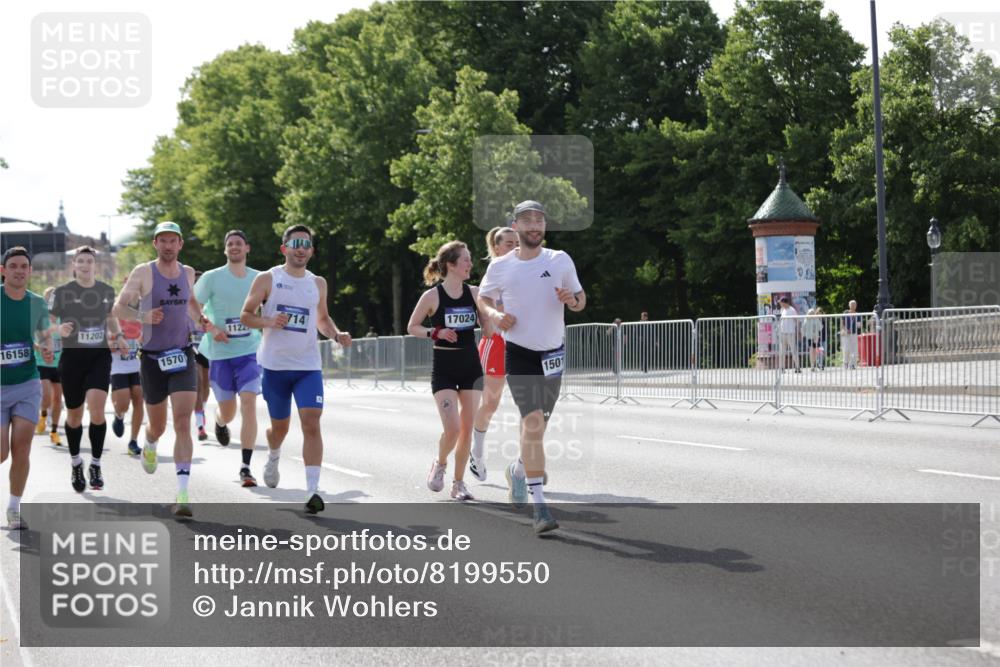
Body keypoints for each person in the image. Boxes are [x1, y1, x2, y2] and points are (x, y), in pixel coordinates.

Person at [478, 200, 586, 535]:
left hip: (553, 354)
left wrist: (572, 300)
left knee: (539, 427)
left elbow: (581, 300)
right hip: (520, 353)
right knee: (534, 424)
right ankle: (540, 509)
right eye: (527, 221)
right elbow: (483, 298)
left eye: (539, 220)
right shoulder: (501, 266)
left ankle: (518, 470)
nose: (534, 226)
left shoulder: (560, 259)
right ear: (516, 226)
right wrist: (495, 315)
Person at [240, 225, 352, 514]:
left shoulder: (318, 283)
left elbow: (322, 319)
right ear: (284, 249)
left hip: (307, 366)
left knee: (312, 422)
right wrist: (268, 321)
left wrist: (336, 334)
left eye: (306, 244)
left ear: (312, 251)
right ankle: (273, 454)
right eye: (295, 244)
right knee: (280, 428)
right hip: (275, 367)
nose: (301, 249)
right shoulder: (268, 279)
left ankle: (312, 490)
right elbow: (246, 315)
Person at [113, 221, 221, 518]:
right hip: (151, 358)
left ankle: (182, 493)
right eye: (163, 240)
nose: (168, 245)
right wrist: (143, 315)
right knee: (158, 426)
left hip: (182, 354)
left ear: (180, 244)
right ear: (155, 244)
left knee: (183, 421)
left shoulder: (187, 273)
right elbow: (118, 308)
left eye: (173, 240)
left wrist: (202, 320)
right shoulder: (143, 272)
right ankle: (150, 441)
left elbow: (191, 302)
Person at [407, 241, 485, 501]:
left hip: (471, 367)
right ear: (451, 264)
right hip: (444, 370)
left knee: (467, 429)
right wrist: (435, 332)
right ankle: (440, 463)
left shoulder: (475, 293)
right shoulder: (432, 296)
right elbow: (412, 327)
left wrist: (490, 316)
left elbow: (489, 328)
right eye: (465, 259)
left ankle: (458, 484)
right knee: (452, 429)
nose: (470, 264)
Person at [50, 247, 128, 492]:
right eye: (81, 261)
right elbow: (49, 320)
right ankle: (76, 462)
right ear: (74, 265)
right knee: (74, 416)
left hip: (99, 357)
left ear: (96, 265)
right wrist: (58, 329)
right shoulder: (62, 292)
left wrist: (118, 335)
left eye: (89, 261)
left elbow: (111, 317)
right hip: (72, 359)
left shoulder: (106, 290)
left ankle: (95, 464)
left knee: (96, 409)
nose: (85, 265)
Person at [194, 229, 262, 487]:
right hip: (220, 354)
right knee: (229, 412)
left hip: (249, 351)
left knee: (249, 403)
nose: (234, 247)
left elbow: (273, 306)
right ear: (225, 250)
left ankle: (246, 467)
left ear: (247, 248)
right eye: (230, 244)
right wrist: (211, 329)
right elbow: (193, 307)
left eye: (238, 243)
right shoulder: (211, 278)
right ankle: (220, 421)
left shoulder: (259, 278)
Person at [1, 247, 54, 529]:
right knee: (1, 452)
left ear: (30, 271)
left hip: (27, 382)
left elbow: (45, 335)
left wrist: (46, 348)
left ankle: (13, 508)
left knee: (22, 446)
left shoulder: (37, 303)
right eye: (13, 266)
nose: (19, 271)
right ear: (3, 270)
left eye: (24, 266)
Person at [469, 226, 518, 482]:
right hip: (498, 342)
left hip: (524, 343)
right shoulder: (495, 270)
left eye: (517, 242)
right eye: (509, 243)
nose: (515, 247)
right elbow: (487, 304)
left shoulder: (529, 268)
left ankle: (526, 463)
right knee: (490, 403)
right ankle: (476, 452)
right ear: (497, 248)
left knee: (530, 403)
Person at [110, 318, 144, 456]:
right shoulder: (113, 321)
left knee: (139, 399)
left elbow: (144, 340)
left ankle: (133, 441)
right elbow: (108, 345)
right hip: (117, 368)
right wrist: (118, 343)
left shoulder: (139, 319)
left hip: (135, 367)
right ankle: (119, 416)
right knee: (123, 404)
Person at [35, 286, 63, 446]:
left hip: (58, 364)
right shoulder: (39, 317)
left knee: (58, 399)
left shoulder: (63, 318)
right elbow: (32, 338)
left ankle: (54, 431)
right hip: (42, 362)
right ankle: (43, 414)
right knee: (46, 395)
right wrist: (40, 347)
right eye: (49, 298)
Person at [192, 270, 211, 442]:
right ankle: (200, 425)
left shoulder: (211, 304)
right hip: (192, 349)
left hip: (208, 349)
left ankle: (201, 410)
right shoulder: (187, 305)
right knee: (198, 384)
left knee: (206, 385)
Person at [777, 296, 801, 373]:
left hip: (790, 333)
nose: (780, 304)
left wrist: (798, 331)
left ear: (784, 302)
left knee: (793, 350)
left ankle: (797, 367)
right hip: (783, 333)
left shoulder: (792, 310)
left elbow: (797, 320)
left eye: (781, 302)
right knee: (782, 352)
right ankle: (782, 368)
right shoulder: (782, 310)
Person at [802, 307, 826, 371]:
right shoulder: (806, 320)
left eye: (812, 313)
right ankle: (812, 365)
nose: (811, 314)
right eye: (810, 313)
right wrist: (804, 335)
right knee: (811, 351)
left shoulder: (816, 319)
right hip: (810, 337)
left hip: (816, 337)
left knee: (816, 351)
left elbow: (820, 327)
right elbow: (803, 329)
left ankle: (815, 364)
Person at [841, 299, 860, 369]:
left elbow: (859, 325)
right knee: (846, 349)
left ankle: (852, 364)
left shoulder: (857, 314)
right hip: (846, 334)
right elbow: (842, 323)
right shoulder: (845, 312)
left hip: (854, 334)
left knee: (854, 349)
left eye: (854, 305)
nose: (853, 306)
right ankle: (845, 362)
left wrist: (859, 325)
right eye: (852, 305)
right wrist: (846, 330)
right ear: (849, 306)